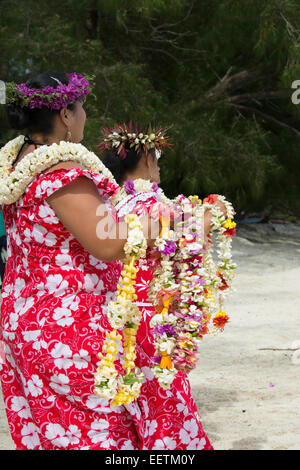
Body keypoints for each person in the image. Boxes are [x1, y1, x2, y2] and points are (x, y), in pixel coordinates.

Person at [0, 72, 159, 450]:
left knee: (54, 437)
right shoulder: (64, 173)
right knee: (100, 437)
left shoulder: (18, 161)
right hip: (68, 329)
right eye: (81, 106)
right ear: (66, 116)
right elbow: (109, 243)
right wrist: (175, 222)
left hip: (25, 319)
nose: (86, 114)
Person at [101, 123, 229, 450]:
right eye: (156, 160)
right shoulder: (153, 206)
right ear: (145, 160)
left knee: (127, 406)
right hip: (151, 321)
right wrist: (214, 212)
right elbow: (192, 235)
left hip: (115, 318)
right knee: (163, 405)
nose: (159, 167)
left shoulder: (109, 204)